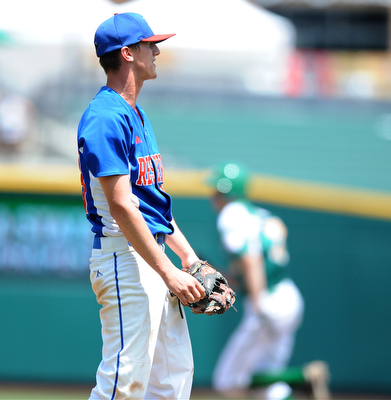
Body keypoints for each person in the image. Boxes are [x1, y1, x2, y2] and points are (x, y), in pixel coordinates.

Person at [77, 13, 205, 400]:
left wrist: (190, 260)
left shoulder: (136, 114)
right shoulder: (104, 117)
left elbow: (151, 205)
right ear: (128, 53)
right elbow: (120, 206)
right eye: (150, 44)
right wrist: (168, 271)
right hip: (124, 256)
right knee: (123, 385)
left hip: (150, 254)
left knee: (171, 382)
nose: (158, 50)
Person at [207, 162, 305, 400]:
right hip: (287, 297)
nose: (212, 196)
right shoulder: (258, 214)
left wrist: (259, 305)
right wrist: (213, 270)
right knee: (268, 384)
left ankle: (304, 377)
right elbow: (243, 276)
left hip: (267, 301)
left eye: (215, 191)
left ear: (223, 192)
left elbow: (251, 262)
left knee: (226, 381)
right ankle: (300, 380)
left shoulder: (231, 215)